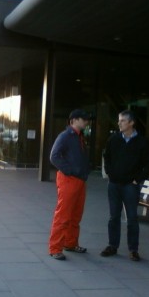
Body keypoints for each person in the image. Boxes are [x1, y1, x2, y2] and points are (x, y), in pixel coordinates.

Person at [101, 110, 149, 262]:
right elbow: (107, 157)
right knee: (114, 217)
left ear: (131, 123)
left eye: (123, 120)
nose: (119, 123)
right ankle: (112, 246)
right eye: (119, 120)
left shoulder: (142, 142)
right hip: (114, 185)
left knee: (132, 218)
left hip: (131, 186)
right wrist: (111, 174)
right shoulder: (113, 139)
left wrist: (138, 179)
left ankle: (133, 250)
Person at [49, 109, 91, 261]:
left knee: (75, 215)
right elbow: (54, 156)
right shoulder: (66, 136)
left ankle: (70, 243)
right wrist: (70, 171)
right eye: (83, 119)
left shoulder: (79, 137)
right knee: (63, 215)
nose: (86, 121)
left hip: (79, 180)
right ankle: (55, 248)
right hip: (69, 180)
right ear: (73, 120)